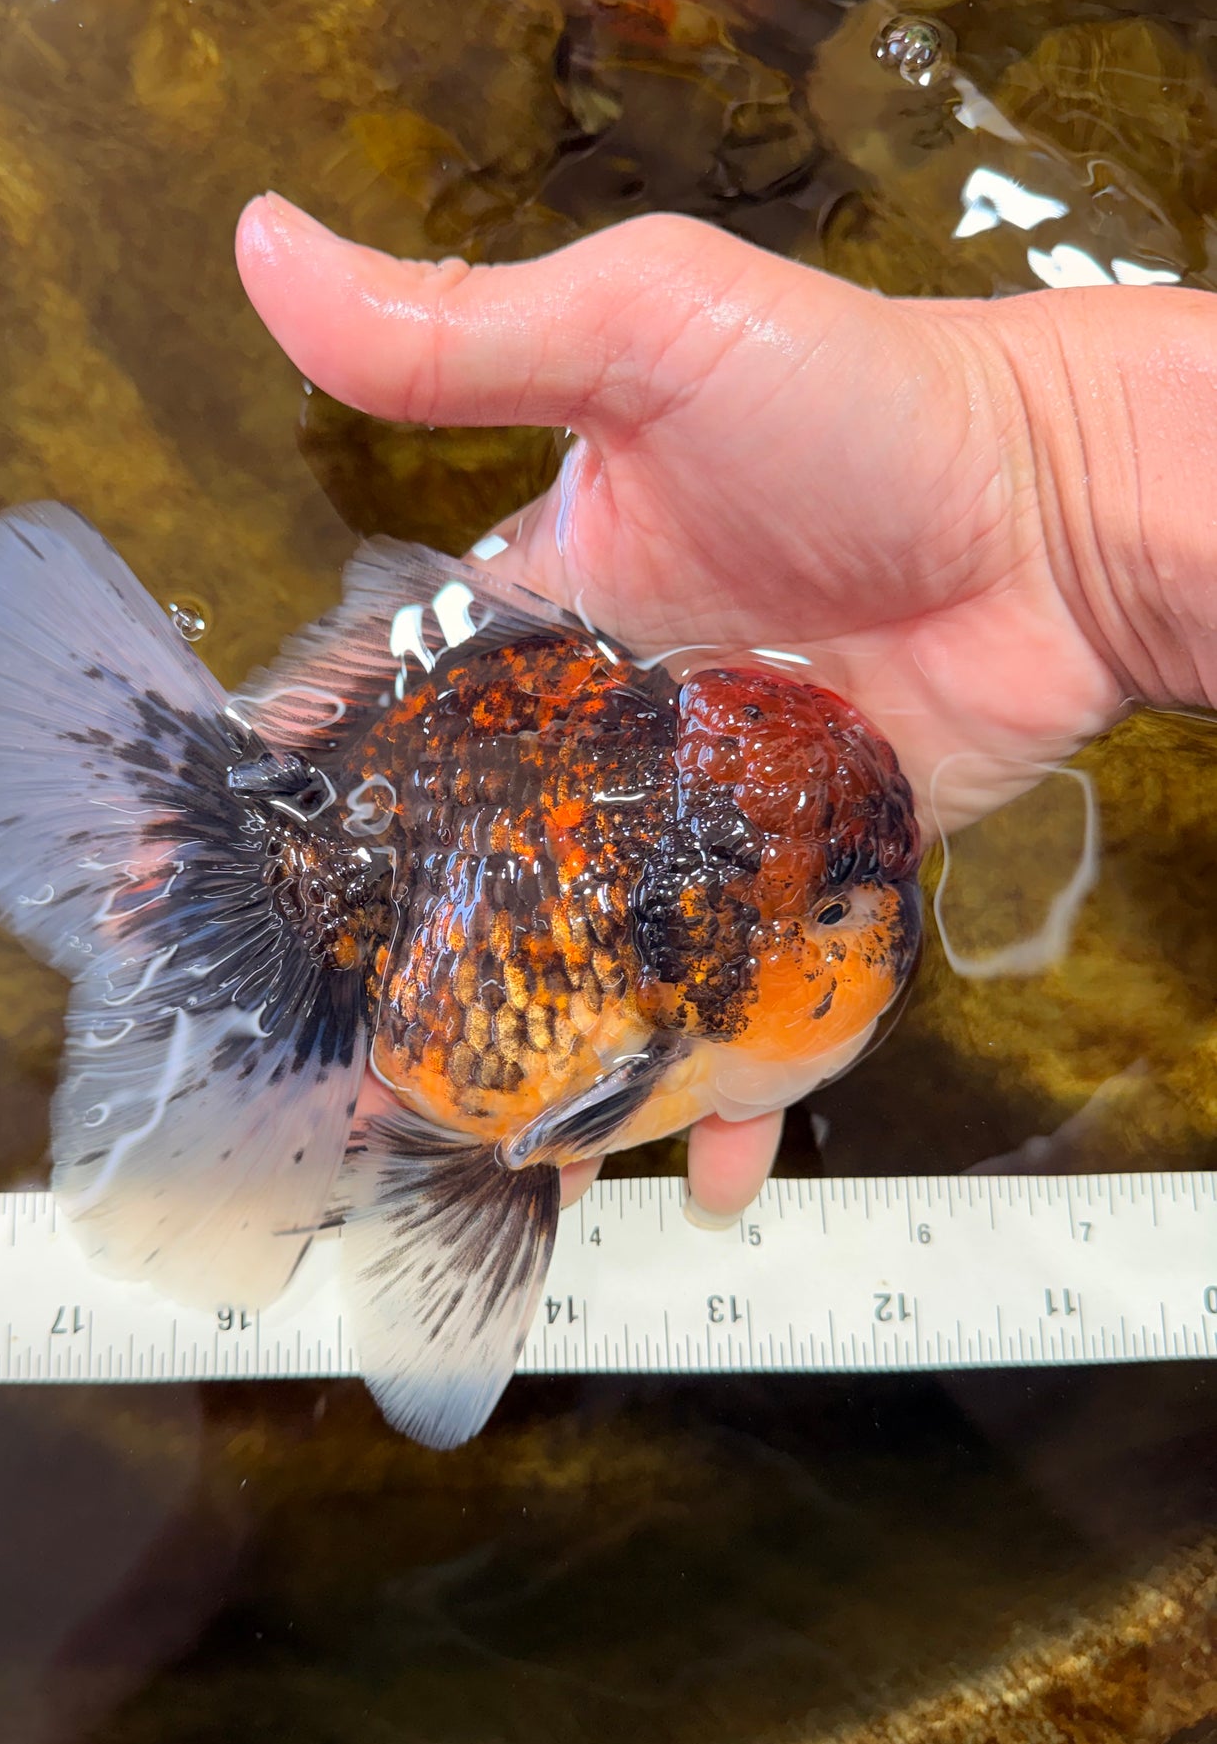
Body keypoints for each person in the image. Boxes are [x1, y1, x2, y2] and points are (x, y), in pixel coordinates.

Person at [234, 196, 1217, 1223]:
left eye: (836, 902)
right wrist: (1054, 484)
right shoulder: (661, 1025)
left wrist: (1052, 476)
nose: (889, 899)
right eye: (828, 912)